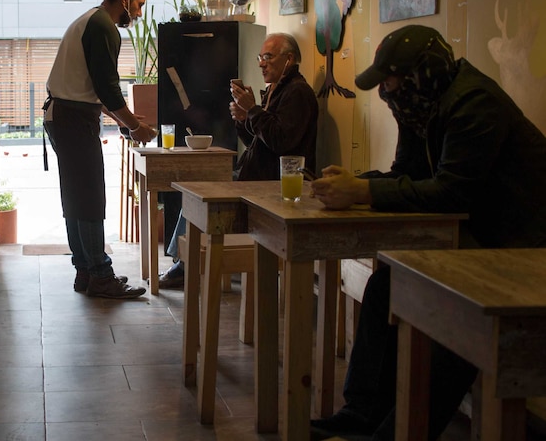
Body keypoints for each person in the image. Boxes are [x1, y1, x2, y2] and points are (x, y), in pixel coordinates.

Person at [310, 25, 546, 440]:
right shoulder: (422, 105)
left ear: (421, 75)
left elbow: (452, 192)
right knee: (386, 284)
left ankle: (397, 433)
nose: (385, 90)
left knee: (454, 315)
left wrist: (362, 190)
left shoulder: (475, 103)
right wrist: (354, 182)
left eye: (390, 80)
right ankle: (362, 414)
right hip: (480, 240)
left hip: (523, 245)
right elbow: (407, 176)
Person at [158, 32, 319, 288]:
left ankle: (188, 264)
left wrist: (253, 111)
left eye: (268, 57)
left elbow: (281, 141)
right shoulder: (275, 91)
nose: (261, 63)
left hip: (272, 182)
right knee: (195, 191)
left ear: (289, 59)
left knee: (201, 193)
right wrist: (244, 119)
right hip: (254, 174)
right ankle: (185, 260)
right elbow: (258, 139)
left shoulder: (297, 93)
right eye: (260, 57)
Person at [43, 0, 156, 299]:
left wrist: (124, 120)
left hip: (64, 115)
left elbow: (90, 88)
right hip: (73, 119)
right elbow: (107, 88)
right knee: (90, 196)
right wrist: (135, 126)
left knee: (77, 197)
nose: (137, 13)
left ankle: (85, 272)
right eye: (137, 5)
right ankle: (101, 276)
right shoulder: (104, 26)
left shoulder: (90, 19)